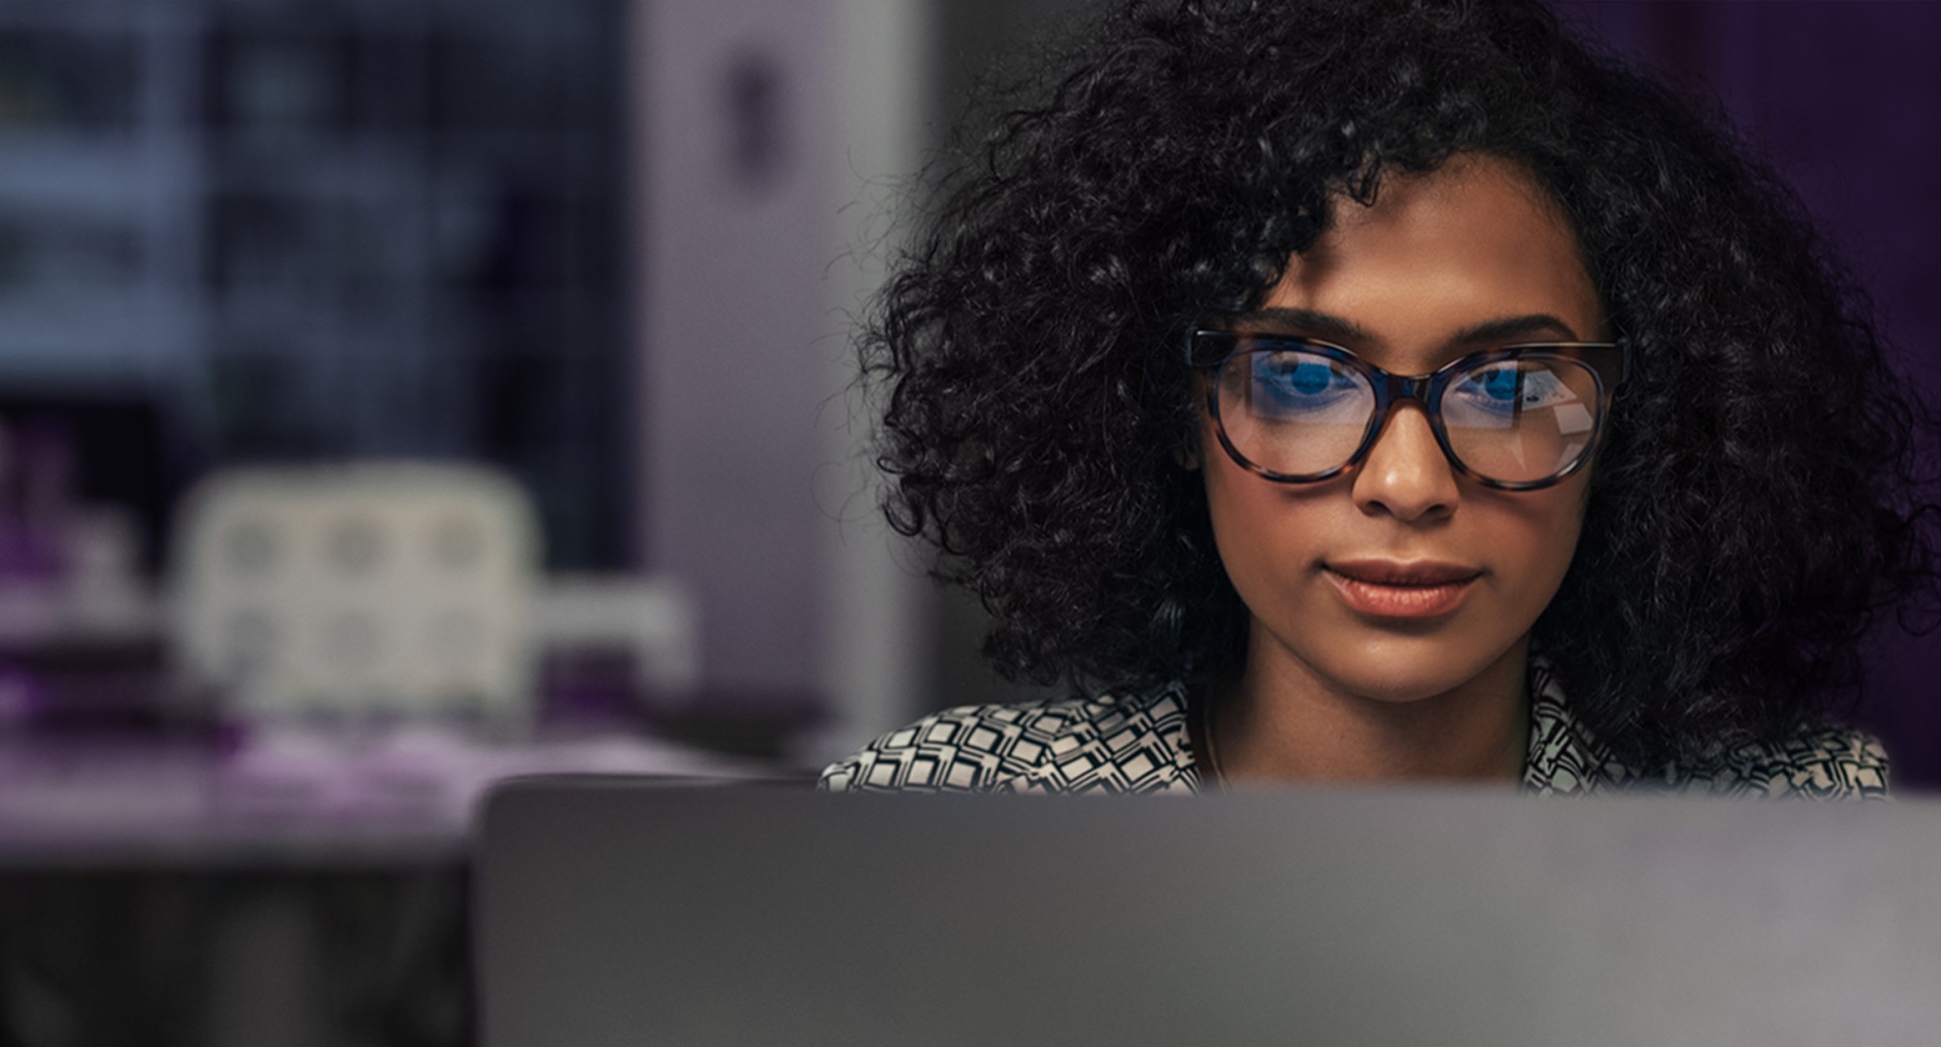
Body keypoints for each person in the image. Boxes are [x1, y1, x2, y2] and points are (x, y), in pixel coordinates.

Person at [819, 0, 1937, 796]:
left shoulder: (1788, 827)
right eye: (1305, 377)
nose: (1407, 484)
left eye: (1507, 387)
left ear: (1626, 430)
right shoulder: (932, 818)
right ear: (1175, 408)